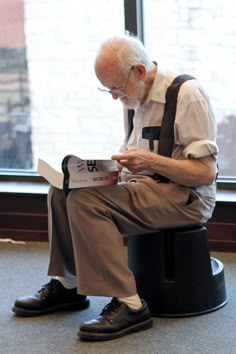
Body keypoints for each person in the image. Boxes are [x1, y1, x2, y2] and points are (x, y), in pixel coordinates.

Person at [12, 35, 218, 341]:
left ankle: (130, 304)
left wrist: (149, 161)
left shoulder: (187, 95)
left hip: (185, 197)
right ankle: (68, 285)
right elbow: (135, 155)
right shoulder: (135, 96)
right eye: (107, 89)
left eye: (116, 88)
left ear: (139, 71)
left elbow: (205, 173)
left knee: (86, 202)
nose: (113, 97)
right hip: (144, 187)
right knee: (63, 189)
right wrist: (102, 170)